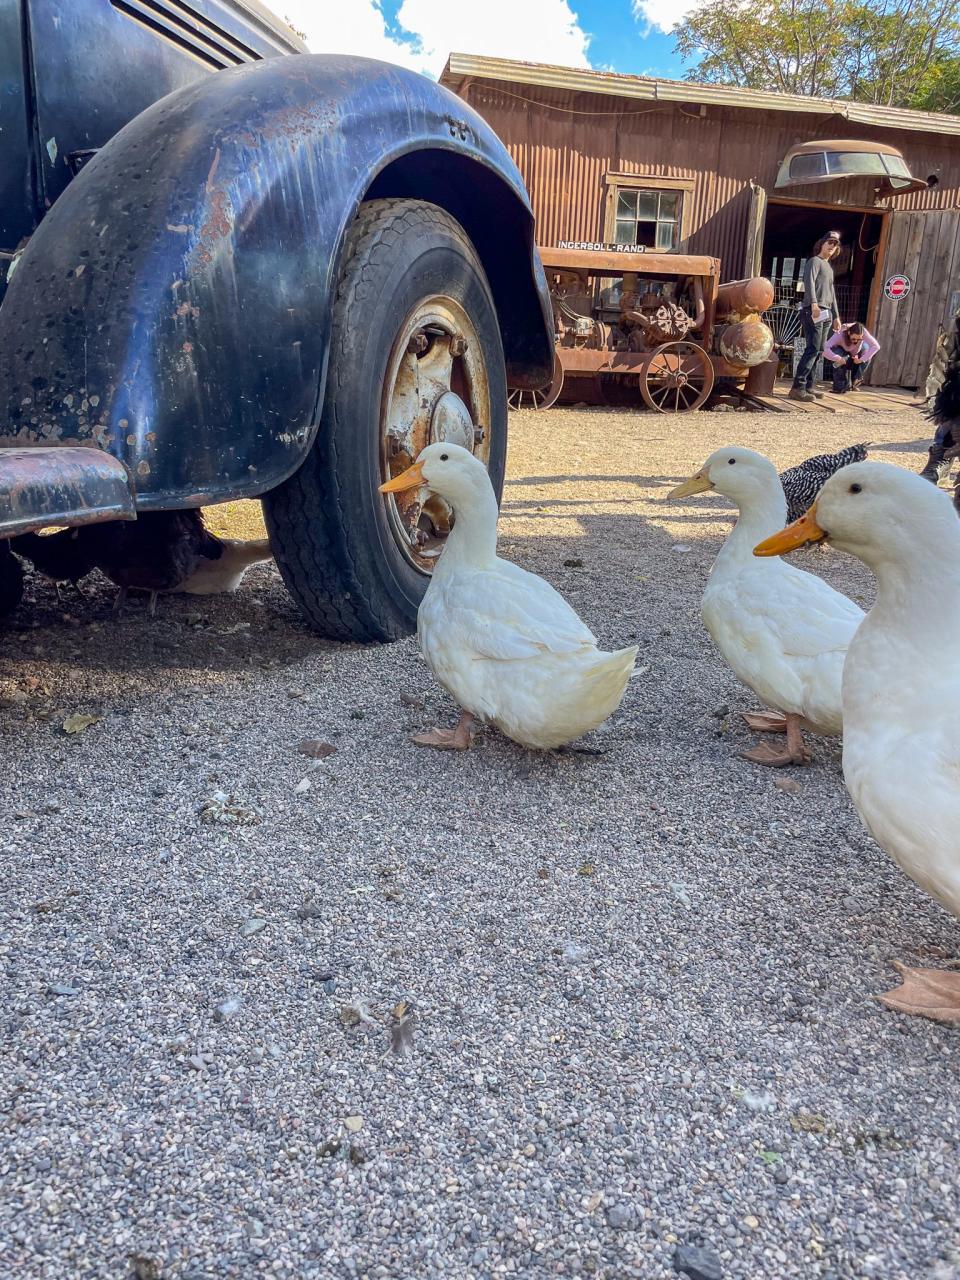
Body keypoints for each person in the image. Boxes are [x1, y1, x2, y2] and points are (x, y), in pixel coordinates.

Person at [790, 231, 843, 402]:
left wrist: (836, 316)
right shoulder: (814, 261)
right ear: (821, 244)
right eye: (830, 242)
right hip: (814, 310)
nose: (832, 246)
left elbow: (832, 293)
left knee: (819, 350)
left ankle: (809, 386)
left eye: (835, 244)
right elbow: (809, 282)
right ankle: (797, 387)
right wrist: (813, 303)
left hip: (827, 312)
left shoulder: (828, 267)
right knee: (812, 348)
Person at [823, 321, 880, 393]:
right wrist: (837, 358)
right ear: (849, 333)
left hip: (857, 351)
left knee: (867, 352)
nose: (856, 341)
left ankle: (856, 380)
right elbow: (824, 349)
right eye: (853, 339)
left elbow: (876, 346)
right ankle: (839, 386)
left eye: (859, 339)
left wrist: (861, 360)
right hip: (842, 350)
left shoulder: (863, 332)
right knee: (839, 356)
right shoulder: (840, 334)